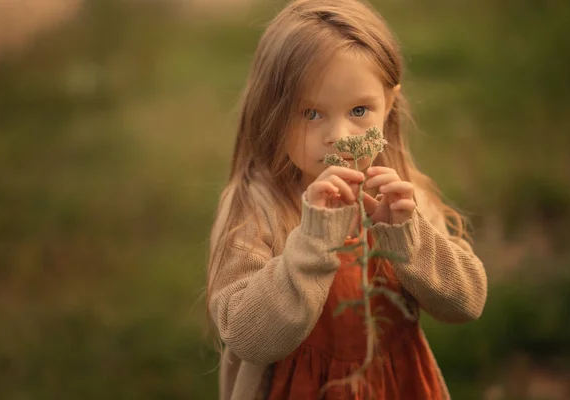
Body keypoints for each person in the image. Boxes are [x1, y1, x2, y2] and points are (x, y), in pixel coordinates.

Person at [206, 0, 487, 398]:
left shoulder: (403, 197)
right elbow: (248, 337)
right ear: (273, 111)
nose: (339, 135)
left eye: (359, 109)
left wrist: (408, 237)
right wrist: (313, 241)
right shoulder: (257, 207)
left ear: (388, 106)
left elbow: (467, 303)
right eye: (311, 113)